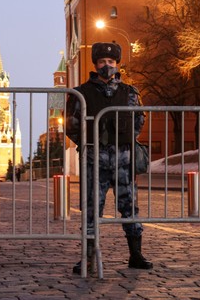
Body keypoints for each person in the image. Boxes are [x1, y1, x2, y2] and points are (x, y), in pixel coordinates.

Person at [65, 42, 152, 275]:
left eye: (111, 62)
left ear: (117, 64)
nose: (107, 66)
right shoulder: (80, 93)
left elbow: (138, 122)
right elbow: (71, 126)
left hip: (124, 157)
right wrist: (88, 143)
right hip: (95, 158)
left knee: (129, 206)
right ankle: (89, 258)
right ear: (95, 64)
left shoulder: (130, 92)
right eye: (102, 62)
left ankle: (136, 255)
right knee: (92, 208)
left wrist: (123, 139)